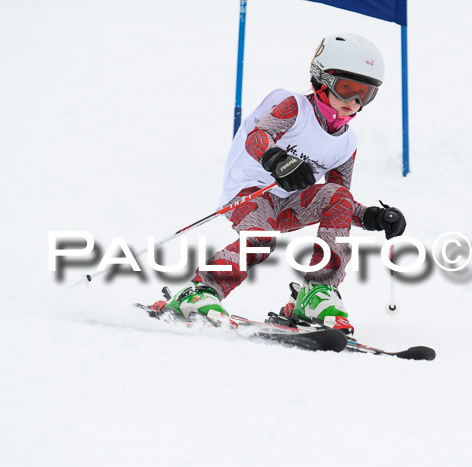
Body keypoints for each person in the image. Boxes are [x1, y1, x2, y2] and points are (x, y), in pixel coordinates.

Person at [153, 33, 406, 333]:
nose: (354, 102)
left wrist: (372, 217)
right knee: (260, 239)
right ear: (321, 79)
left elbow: (339, 199)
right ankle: (200, 291)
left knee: (337, 196)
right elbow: (257, 137)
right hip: (250, 191)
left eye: (365, 94)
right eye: (347, 88)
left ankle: (314, 294)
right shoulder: (293, 106)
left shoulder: (347, 142)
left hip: (290, 205)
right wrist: (277, 161)